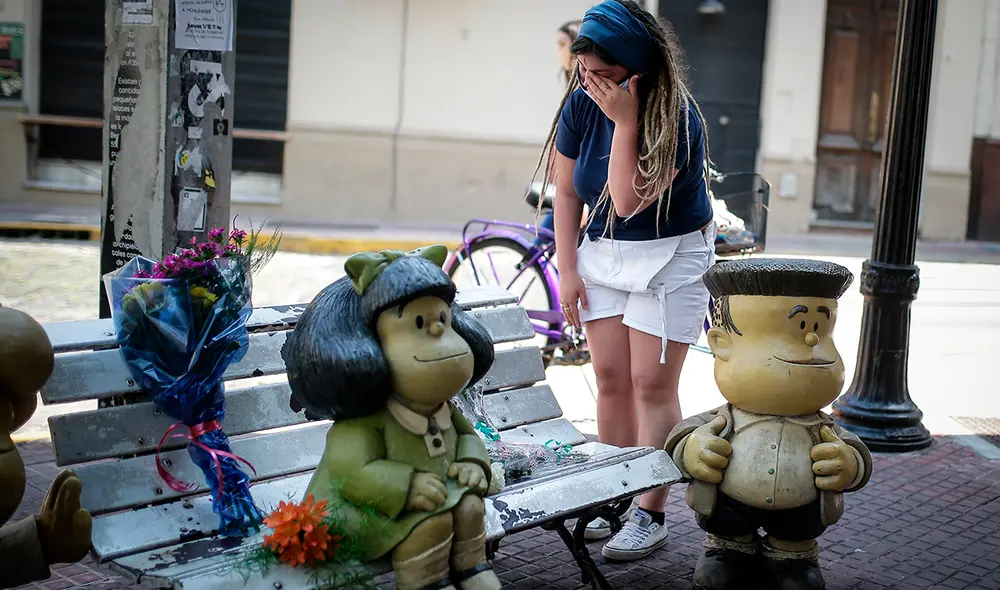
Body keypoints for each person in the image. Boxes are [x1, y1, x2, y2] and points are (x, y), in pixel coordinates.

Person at [529, 0, 716, 562]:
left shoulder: (676, 119)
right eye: (583, 71)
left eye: (602, 73)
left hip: (669, 254)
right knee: (609, 379)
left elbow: (631, 200)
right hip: (604, 250)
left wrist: (626, 121)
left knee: (650, 387)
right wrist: (566, 271)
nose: (589, 82)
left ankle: (650, 510)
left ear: (635, 67)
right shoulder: (582, 103)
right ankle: (613, 496)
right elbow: (566, 192)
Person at [536, 19, 583, 246]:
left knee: (542, 243)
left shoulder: (585, 90)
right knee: (542, 244)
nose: (559, 53)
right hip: (565, 183)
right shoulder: (572, 87)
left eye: (562, 44)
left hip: (577, 185)